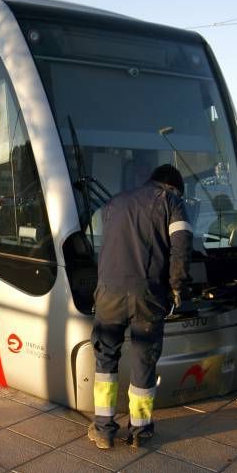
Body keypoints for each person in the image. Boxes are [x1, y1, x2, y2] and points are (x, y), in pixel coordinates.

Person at [88, 164, 193, 449]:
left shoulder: (114, 202)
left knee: (105, 360)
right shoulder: (171, 202)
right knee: (143, 360)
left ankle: (103, 429)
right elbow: (181, 247)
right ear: (172, 186)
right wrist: (177, 286)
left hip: (108, 291)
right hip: (147, 293)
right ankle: (140, 430)